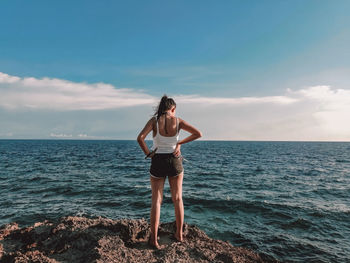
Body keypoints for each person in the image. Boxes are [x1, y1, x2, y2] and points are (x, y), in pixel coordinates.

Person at [137, 95, 202, 249]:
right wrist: (179, 143)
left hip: (158, 160)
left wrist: (149, 153)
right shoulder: (178, 121)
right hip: (174, 160)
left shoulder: (154, 121)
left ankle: (153, 239)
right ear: (172, 109)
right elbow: (198, 134)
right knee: (178, 198)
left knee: (156, 200)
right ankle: (179, 234)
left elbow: (140, 138)